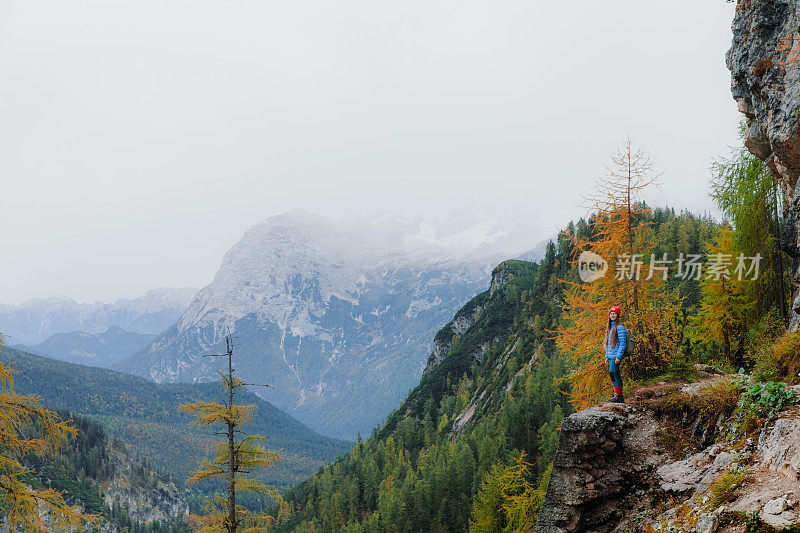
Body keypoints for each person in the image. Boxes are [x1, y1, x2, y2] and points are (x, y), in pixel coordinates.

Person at [604, 305, 627, 403]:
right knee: (614, 374)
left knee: (613, 373)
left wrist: (618, 356)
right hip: (610, 356)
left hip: (616, 356)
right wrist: (606, 356)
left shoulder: (620, 327)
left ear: (618, 315)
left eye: (614, 314)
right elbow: (609, 344)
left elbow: (623, 343)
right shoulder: (610, 327)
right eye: (611, 314)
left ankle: (618, 396)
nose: (612, 316)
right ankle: (618, 396)